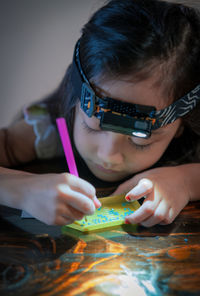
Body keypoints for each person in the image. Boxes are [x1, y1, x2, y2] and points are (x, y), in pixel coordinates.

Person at [0, 0, 200, 227]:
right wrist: (22, 190)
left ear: (182, 123)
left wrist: (186, 181)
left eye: (140, 140)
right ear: (75, 97)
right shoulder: (45, 131)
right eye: (93, 125)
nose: (109, 156)